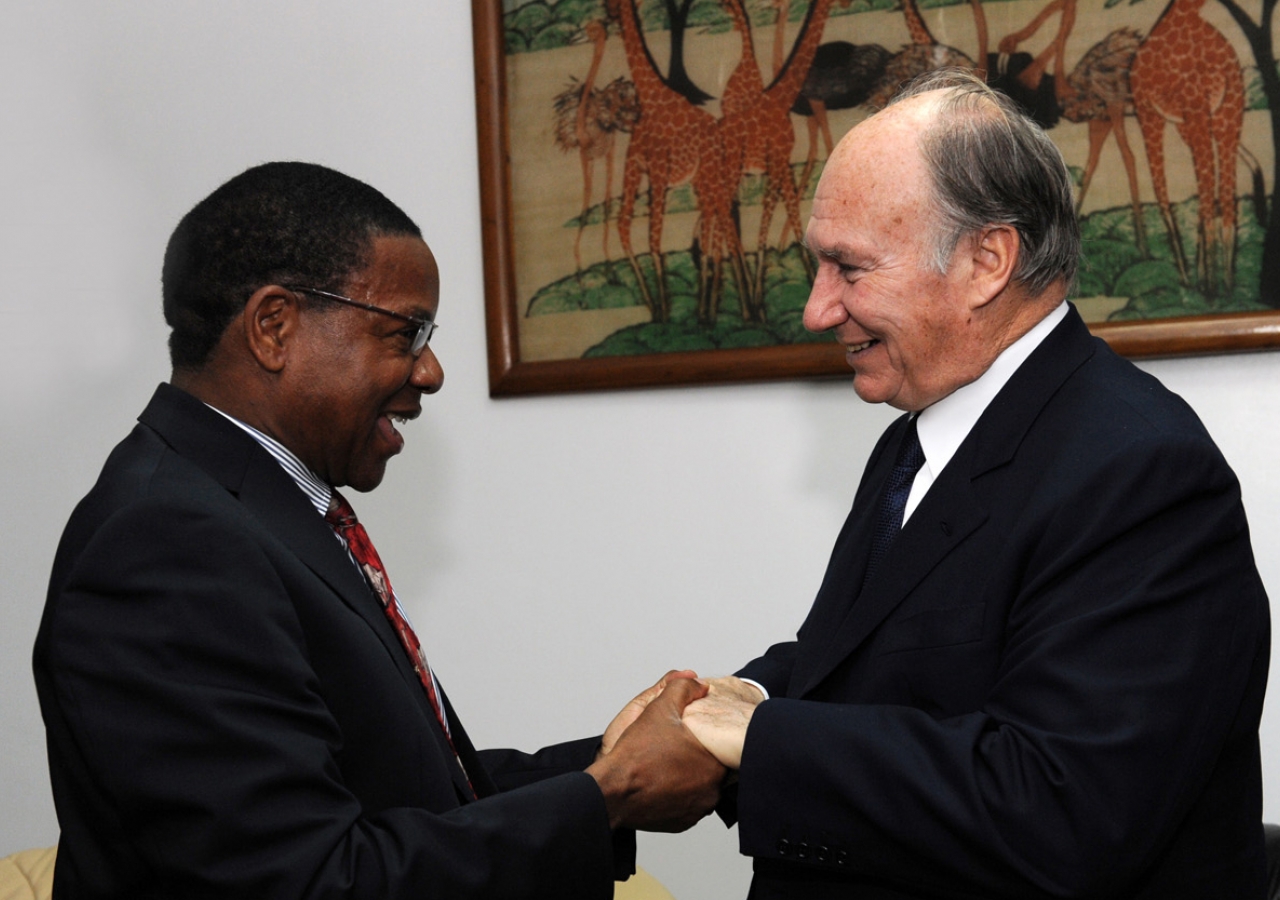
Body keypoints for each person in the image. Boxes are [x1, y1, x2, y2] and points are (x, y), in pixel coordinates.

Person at [33, 161, 724, 900]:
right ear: (274, 327)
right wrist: (606, 796)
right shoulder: (166, 542)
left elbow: (401, 794)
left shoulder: (253, 510)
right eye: (405, 332)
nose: (430, 371)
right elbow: (309, 881)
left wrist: (610, 766)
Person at [680, 69, 1272, 898]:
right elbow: (897, 658)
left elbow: (1063, 811)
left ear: (988, 260)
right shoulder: (918, 442)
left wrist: (764, 738)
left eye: (848, 268)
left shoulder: (1142, 473)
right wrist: (741, 696)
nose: (817, 310)